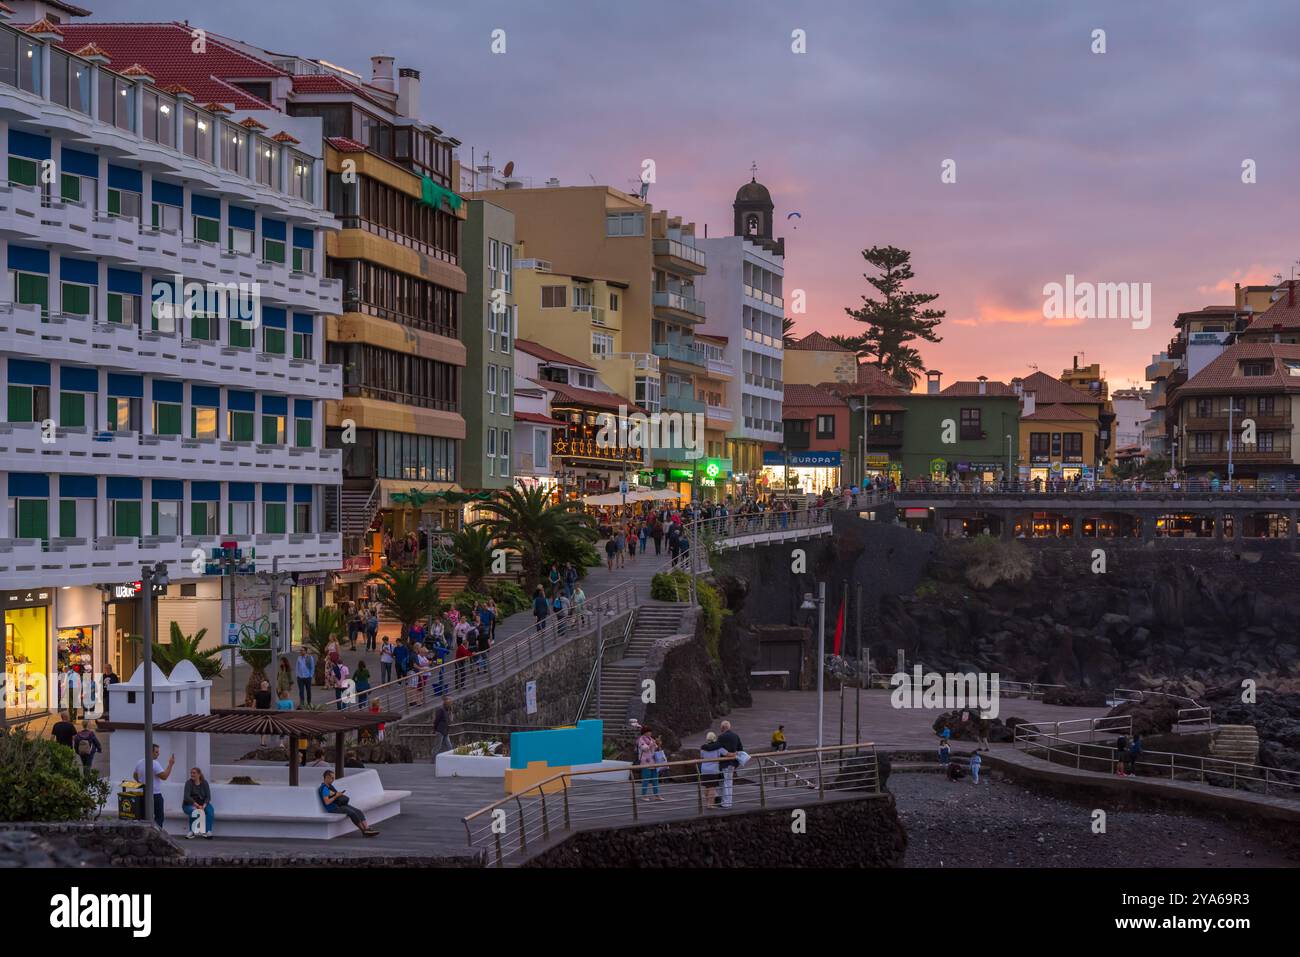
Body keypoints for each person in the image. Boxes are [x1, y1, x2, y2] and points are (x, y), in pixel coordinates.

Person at [318, 770, 379, 836]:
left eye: (334, 778)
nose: (333, 780)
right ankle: (363, 831)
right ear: (327, 777)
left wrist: (337, 794)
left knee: (358, 811)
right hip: (333, 808)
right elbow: (327, 802)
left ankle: (367, 828)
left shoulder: (329, 787)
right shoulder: (324, 789)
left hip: (339, 805)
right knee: (352, 813)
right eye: (332, 778)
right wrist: (336, 795)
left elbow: (333, 795)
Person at [133, 744, 175, 828]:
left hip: (142, 794)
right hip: (155, 794)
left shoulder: (140, 762)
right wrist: (170, 764)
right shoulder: (154, 763)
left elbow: (134, 775)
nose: (158, 754)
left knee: (143, 817)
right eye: (156, 752)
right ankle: (157, 835)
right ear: (150, 752)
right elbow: (164, 776)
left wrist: (141, 782)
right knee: (159, 817)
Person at [182, 767, 215, 839]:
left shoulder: (204, 783)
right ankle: (191, 831)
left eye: (194, 773)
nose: (192, 774)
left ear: (199, 774)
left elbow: (208, 797)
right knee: (195, 811)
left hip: (203, 804)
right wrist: (197, 805)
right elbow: (186, 797)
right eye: (191, 773)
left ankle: (208, 831)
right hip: (189, 804)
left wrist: (204, 805)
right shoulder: (188, 783)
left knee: (210, 811)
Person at [716, 720, 743, 809]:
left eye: (720, 727)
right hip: (733, 763)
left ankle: (726, 803)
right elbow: (740, 749)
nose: (720, 728)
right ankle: (728, 802)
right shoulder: (736, 736)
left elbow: (717, 750)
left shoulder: (721, 737)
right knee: (729, 782)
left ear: (723, 728)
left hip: (724, 763)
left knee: (725, 783)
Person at [699, 731, 725, 809]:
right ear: (714, 738)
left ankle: (707, 803)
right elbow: (727, 754)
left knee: (707, 787)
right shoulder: (718, 747)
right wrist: (736, 754)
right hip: (713, 770)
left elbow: (701, 757)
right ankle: (710, 805)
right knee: (712, 788)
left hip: (704, 770)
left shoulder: (703, 748)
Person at [637, 727, 659, 801]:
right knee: (645, 779)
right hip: (645, 762)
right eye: (648, 731)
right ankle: (644, 795)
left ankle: (656, 795)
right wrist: (651, 744)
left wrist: (657, 743)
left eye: (650, 731)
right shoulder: (641, 739)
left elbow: (655, 747)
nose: (650, 733)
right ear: (644, 732)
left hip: (653, 762)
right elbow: (644, 748)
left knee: (655, 779)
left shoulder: (651, 739)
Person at [253, 680, 273, 745]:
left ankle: (262, 741)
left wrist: (252, 711)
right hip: (267, 712)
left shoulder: (257, 693)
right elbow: (272, 704)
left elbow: (254, 704)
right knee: (265, 726)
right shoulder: (270, 694)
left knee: (262, 726)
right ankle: (262, 742)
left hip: (259, 712)